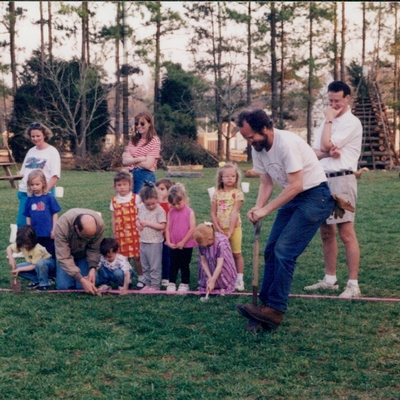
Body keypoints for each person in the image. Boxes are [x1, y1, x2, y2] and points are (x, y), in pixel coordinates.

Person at [234, 108, 335, 332]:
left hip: (315, 196)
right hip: (293, 197)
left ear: (265, 128)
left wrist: (267, 210)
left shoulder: (286, 143)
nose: (250, 143)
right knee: (271, 250)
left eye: (251, 137)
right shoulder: (259, 149)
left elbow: (297, 184)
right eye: (246, 138)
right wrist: (257, 207)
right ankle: (265, 305)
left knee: (284, 251)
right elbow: (266, 183)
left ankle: (275, 310)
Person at [304, 81, 363, 298]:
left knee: (346, 234)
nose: (333, 104)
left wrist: (327, 145)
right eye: (330, 101)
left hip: (342, 180)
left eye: (337, 101)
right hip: (322, 179)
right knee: (326, 232)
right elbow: (314, 151)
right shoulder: (325, 122)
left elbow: (325, 146)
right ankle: (330, 279)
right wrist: (327, 150)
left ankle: (353, 285)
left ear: (348, 99)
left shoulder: (351, 122)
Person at [16, 122, 61, 228]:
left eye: (38, 136)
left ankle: (42, 244)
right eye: (33, 136)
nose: (35, 138)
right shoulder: (31, 151)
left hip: (42, 194)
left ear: (44, 135)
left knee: (42, 224)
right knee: (23, 225)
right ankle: (24, 244)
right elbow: (23, 173)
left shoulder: (52, 151)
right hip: (25, 193)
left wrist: (44, 192)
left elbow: (55, 176)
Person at [211, 162, 245, 291]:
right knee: (220, 254)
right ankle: (224, 276)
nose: (230, 178)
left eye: (233, 176)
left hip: (234, 228)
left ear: (236, 178)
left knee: (236, 253)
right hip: (220, 229)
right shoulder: (217, 193)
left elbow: (234, 212)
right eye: (226, 176)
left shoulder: (238, 193)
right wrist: (218, 229)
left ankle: (239, 278)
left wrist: (230, 231)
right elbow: (213, 213)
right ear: (221, 178)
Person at [55, 208, 104, 295]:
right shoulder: (62, 226)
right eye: (86, 236)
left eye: (90, 237)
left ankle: (101, 273)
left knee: (81, 287)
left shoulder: (99, 224)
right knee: (63, 287)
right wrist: (81, 279)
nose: (89, 239)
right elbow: (63, 257)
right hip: (68, 255)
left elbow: (94, 248)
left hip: (85, 256)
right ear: (76, 228)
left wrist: (92, 268)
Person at [110, 170, 144, 289]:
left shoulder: (136, 198)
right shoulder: (114, 200)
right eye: (119, 185)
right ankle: (127, 278)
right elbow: (113, 218)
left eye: (125, 184)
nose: (122, 187)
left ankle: (141, 277)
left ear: (130, 185)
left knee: (137, 256)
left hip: (135, 233)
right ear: (115, 187)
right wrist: (114, 232)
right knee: (124, 258)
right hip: (121, 234)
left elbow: (141, 213)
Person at [165, 184, 197, 293]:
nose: (176, 206)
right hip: (173, 244)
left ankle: (184, 283)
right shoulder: (170, 212)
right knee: (173, 264)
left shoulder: (190, 212)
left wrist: (183, 242)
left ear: (184, 199)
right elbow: (168, 228)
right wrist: (168, 241)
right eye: (173, 204)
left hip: (186, 244)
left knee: (184, 264)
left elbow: (192, 228)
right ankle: (172, 282)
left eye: (178, 203)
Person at [23, 170, 61, 260]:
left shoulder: (49, 197)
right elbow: (28, 215)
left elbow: (55, 213)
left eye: (37, 184)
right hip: (35, 233)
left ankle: (52, 270)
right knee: (37, 254)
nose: (34, 187)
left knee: (51, 254)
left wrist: (54, 229)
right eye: (32, 185)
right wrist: (28, 230)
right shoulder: (29, 199)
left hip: (48, 233)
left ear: (43, 183)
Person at [137, 183, 167, 291]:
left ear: (157, 199)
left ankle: (155, 286)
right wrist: (138, 224)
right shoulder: (141, 207)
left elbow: (162, 226)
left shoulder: (159, 210)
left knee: (154, 266)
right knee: (145, 265)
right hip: (143, 240)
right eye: (147, 204)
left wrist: (148, 223)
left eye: (153, 203)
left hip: (155, 242)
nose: (150, 206)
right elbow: (138, 219)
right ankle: (148, 284)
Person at [122, 111, 161, 194]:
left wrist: (132, 159)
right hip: (130, 176)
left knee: (142, 203)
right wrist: (141, 159)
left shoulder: (154, 141)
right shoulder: (133, 140)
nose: (139, 126)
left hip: (145, 176)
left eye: (142, 123)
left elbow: (148, 165)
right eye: (137, 124)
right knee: (131, 203)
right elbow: (124, 161)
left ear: (149, 124)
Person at [7, 225, 55, 290]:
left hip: (47, 264)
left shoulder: (37, 249)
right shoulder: (22, 244)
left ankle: (44, 284)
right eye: (23, 244)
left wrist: (19, 270)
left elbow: (34, 266)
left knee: (40, 263)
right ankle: (37, 280)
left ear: (33, 240)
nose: (25, 246)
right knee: (16, 267)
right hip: (34, 264)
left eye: (27, 244)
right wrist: (11, 258)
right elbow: (9, 248)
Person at [194, 222, 237, 295]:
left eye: (200, 243)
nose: (199, 245)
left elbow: (219, 265)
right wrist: (210, 277)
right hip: (208, 263)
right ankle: (208, 284)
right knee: (208, 279)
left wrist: (213, 281)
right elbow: (203, 262)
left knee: (221, 278)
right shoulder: (200, 243)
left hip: (221, 266)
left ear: (209, 239)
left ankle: (221, 285)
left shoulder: (221, 243)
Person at [155, 178, 175, 287]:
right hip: (156, 235)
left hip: (167, 236)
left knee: (166, 257)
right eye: (157, 189)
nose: (159, 191)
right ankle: (155, 276)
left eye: (162, 189)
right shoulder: (155, 204)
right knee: (156, 257)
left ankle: (165, 277)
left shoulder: (171, 204)